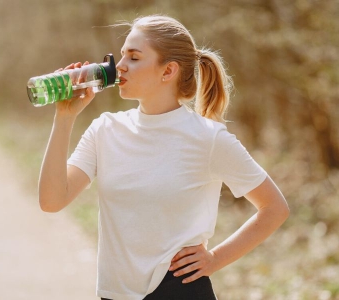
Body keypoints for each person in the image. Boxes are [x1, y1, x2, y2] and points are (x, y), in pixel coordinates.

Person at [38, 14, 290, 300]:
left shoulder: (208, 138)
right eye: (122, 55)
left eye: (134, 57)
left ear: (168, 71)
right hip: (115, 294)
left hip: (180, 292)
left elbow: (274, 208)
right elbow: (52, 200)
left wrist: (215, 259)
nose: (119, 66)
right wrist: (64, 117)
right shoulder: (104, 130)